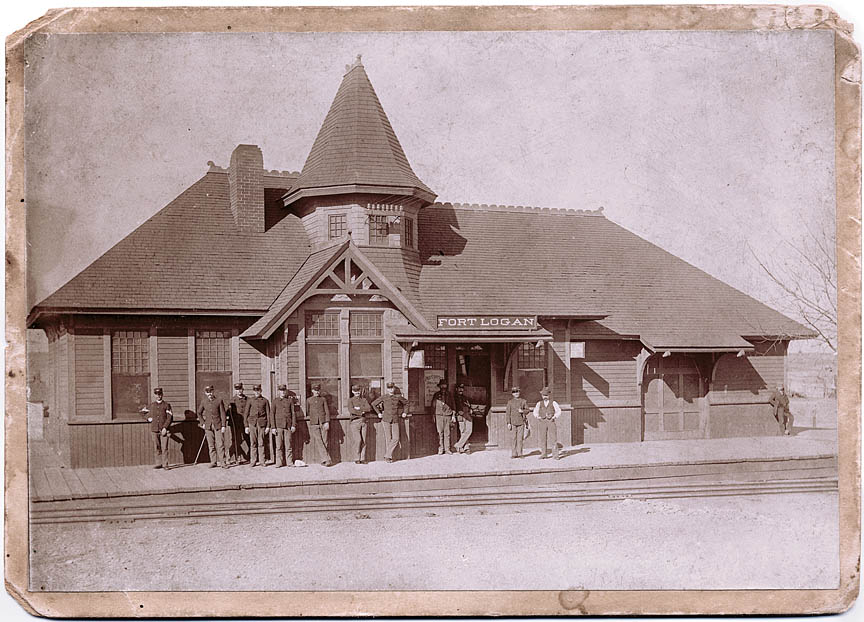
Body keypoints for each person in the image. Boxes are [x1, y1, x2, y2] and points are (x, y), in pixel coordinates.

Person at [372, 382, 409, 463]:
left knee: (396, 438)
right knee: (388, 438)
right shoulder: (384, 397)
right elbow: (374, 404)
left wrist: (405, 412)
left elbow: (406, 403)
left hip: (395, 419)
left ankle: (387, 455)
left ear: (394, 388)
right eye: (389, 388)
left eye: (392, 388)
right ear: (387, 389)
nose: (391, 389)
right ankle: (389, 457)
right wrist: (378, 413)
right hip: (386, 420)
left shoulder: (398, 397)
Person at [197, 385, 229, 468]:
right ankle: (213, 462)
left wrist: (223, 425)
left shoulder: (219, 401)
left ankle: (222, 462)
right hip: (208, 426)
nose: (209, 394)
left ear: (213, 391)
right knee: (211, 445)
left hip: (217, 425)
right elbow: (199, 413)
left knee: (220, 444)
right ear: (205, 393)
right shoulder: (204, 401)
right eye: (208, 392)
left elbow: (223, 414)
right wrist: (203, 423)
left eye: (211, 391)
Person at [142, 387, 173, 469]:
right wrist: (147, 418)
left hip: (164, 430)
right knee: (157, 447)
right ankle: (158, 463)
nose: (158, 396)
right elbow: (142, 412)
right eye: (156, 394)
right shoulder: (151, 405)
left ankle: (165, 464)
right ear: (154, 395)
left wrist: (165, 428)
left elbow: (170, 417)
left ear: (162, 395)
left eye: (160, 394)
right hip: (154, 429)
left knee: (164, 447)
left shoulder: (167, 405)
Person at [270, 384, 296, 467]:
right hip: (279, 426)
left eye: (284, 390)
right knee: (279, 446)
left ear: (286, 391)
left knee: (288, 445)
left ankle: (289, 462)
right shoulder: (275, 401)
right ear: (279, 391)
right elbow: (272, 414)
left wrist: (293, 425)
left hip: (288, 426)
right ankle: (279, 462)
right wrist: (273, 427)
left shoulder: (289, 401)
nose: (283, 392)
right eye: (281, 390)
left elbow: (293, 413)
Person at [306, 384, 332, 466]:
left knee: (325, 441)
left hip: (323, 422)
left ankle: (323, 460)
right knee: (319, 441)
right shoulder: (309, 400)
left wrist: (327, 421)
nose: (317, 391)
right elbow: (307, 411)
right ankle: (327, 459)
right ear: (312, 391)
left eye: (318, 390)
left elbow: (327, 411)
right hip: (314, 423)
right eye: (315, 390)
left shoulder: (323, 399)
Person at [244, 384, 270, 467]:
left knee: (261, 442)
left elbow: (268, 414)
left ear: (261, 391)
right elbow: (246, 414)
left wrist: (268, 426)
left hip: (262, 424)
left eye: (258, 390)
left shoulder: (265, 401)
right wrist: (246, 426)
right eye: (255, 390)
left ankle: (262, 461)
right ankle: (253, 461)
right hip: (252, 424)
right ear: (253, 391)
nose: (257, 392)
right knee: (253, 443)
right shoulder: (250, 400)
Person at [532, 387, 562, 460]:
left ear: (549, 395)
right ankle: (544, 454)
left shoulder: (553, 402)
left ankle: (555, 455)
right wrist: (537, 417)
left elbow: (559, 411)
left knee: (553, 438)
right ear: (541, 396)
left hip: (551, 421)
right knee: (543, 438)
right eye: (543, 395)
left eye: (546, 395)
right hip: (542, 422)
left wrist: (554, 417)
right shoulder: (539, 403)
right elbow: (535, 411)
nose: (545, 396)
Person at [347, 385, 372, 464]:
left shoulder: (364, 400)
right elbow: (351, 410)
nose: (357, 392)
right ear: (352, 391)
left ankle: (362, 458)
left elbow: (369, 408)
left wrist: (358, 408)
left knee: (364, 440)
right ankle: (356, 458)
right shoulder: (350, 400)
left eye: (358, 390)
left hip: (363, 421)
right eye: (355, 391)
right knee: (358, 440)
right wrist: (362, 412)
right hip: (354, 422)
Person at [431, 379, 455, 455]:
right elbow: (433, 406)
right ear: (440, 386)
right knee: (439, 432)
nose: (443, 386)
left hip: (448, 415)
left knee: (447, 433)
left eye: (445, 385)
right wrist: (433, 416)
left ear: (446, 386)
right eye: (442, 385)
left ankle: (447, 449)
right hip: (439, 416)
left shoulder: (450, 395)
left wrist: (453, 415)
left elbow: (454, 406)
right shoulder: (436, 395)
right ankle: (441, 448)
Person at [228, 383, 250, 464]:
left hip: (246, 424)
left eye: (240, 389)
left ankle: (249, 456)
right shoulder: (232, 400)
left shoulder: (248, 399)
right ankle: (234, 457)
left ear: (242, 389)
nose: (239, 391)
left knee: (248, 439)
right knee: (237, 440)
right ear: (235, 390)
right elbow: (228, 412)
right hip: (236, 424)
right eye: (237, 389)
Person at [505, 386, 529, 459]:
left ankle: (520, 453)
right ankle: (514, 453)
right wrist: (508, 423)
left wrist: (522, 411)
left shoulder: (523, 401)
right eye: (514, 392)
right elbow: (508, 413)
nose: (516, 394)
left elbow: (528, 410)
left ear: (519, 392)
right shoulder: (510, 402)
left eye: (517, 392)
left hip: (521, 422)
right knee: (513, 438)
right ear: (512, 394)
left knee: (520, 438)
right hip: (513, 423)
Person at [453, 383, 474, 454]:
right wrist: (457, 412)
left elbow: (469, 405)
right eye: (459, 388)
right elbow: (453, 407)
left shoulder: (465, 397)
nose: (461, 390)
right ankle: (466, 448)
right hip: (460, 416)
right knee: (463, 432)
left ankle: (458, 445)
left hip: (467, 415)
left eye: (462, 388)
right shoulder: (454, 398)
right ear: (456, 389)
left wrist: (471, 409)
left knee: (469, 430)